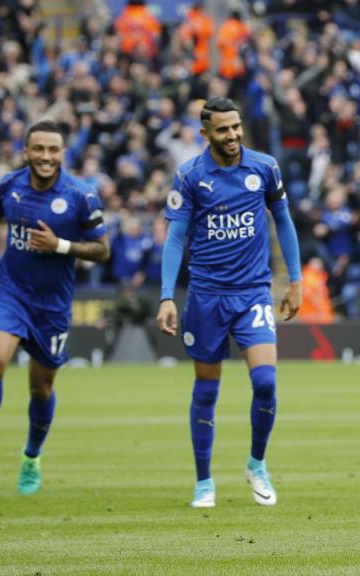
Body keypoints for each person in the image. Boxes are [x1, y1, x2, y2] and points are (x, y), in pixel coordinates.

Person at [157, 97, 302, 508]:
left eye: (236, 126)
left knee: (266, 382)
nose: (232, 135)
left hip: (253, 292)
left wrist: (295, 280)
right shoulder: (188, 176)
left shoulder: (264, 167)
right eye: (223, 129)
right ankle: (204, 481)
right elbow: (174, 239)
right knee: (206, 389)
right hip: (206, 297)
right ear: (206, 134)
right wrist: (167, 295)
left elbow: (284, 222)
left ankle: (257, 464)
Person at [0, 120, 110, 494]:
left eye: (53, 150)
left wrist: (61, 245)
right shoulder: (8, 184)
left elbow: (102, 250)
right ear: (26, 152)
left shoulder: (81, 195)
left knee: (41, 389)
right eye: (38, 149)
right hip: (10, 290)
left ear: (62, 154)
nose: (45, 156)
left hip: (52, 305)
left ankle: (31, 457)